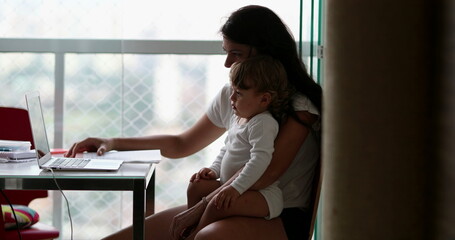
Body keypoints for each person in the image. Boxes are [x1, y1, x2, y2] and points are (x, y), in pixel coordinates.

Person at [65, 5, 322, 240]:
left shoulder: (300, 106)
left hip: (278, 214)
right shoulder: (234, 94)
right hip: (228, 202)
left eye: (236, 53)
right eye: (226, 52)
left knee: (204, 237)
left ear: (265, 53)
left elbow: (267, 173)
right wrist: (112, 142)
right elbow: (182, 143)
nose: (227, 63)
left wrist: (200, 208)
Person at [185, 55, 289, 239]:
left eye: (239, 93)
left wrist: (235, 188)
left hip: (262, 195)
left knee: (218, 203)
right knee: (196, 187)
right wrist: (214, 170)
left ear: (264, 99)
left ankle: (193, 234)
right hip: (234, 187)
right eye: (232, 90)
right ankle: (191, 227)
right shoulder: (239, 117)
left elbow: (260, 159)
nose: (231, 97)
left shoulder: (263, 123)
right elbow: (227, 149)